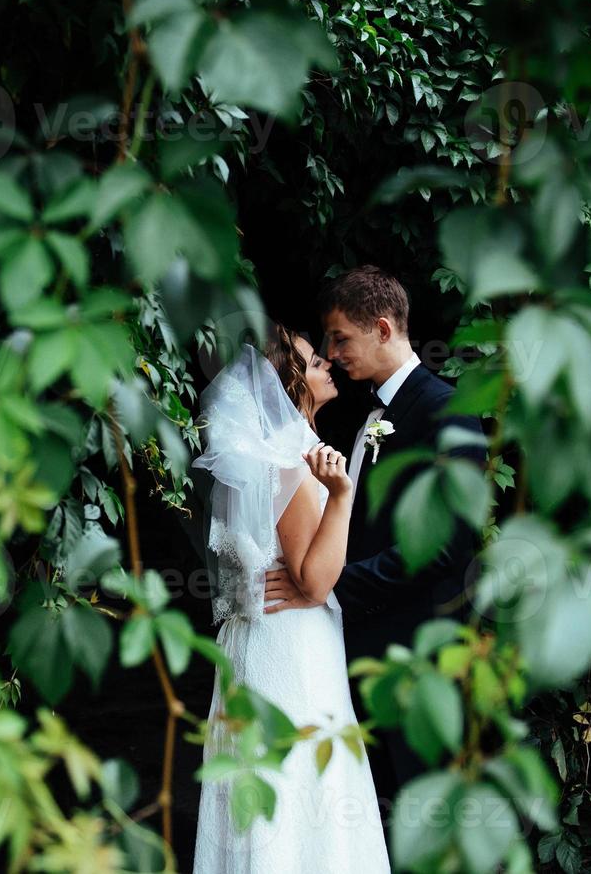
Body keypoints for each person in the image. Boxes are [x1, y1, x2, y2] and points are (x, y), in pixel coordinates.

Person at [263, 265, 486, 807]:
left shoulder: (446, 413)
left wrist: (332, 588)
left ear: (383, 329)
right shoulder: (366, 414)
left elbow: (447, 543)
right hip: (355, 654)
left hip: (416, 654)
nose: (332, 352)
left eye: (341, 338)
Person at [192, 325, 390, 874]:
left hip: (252, 642)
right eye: (313, 361)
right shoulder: (287, 463)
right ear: (288, 383)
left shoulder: (264, 461)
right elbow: (317, 579)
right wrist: (342, 494)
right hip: (292, 652)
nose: (328, 363)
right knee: (302, 791)